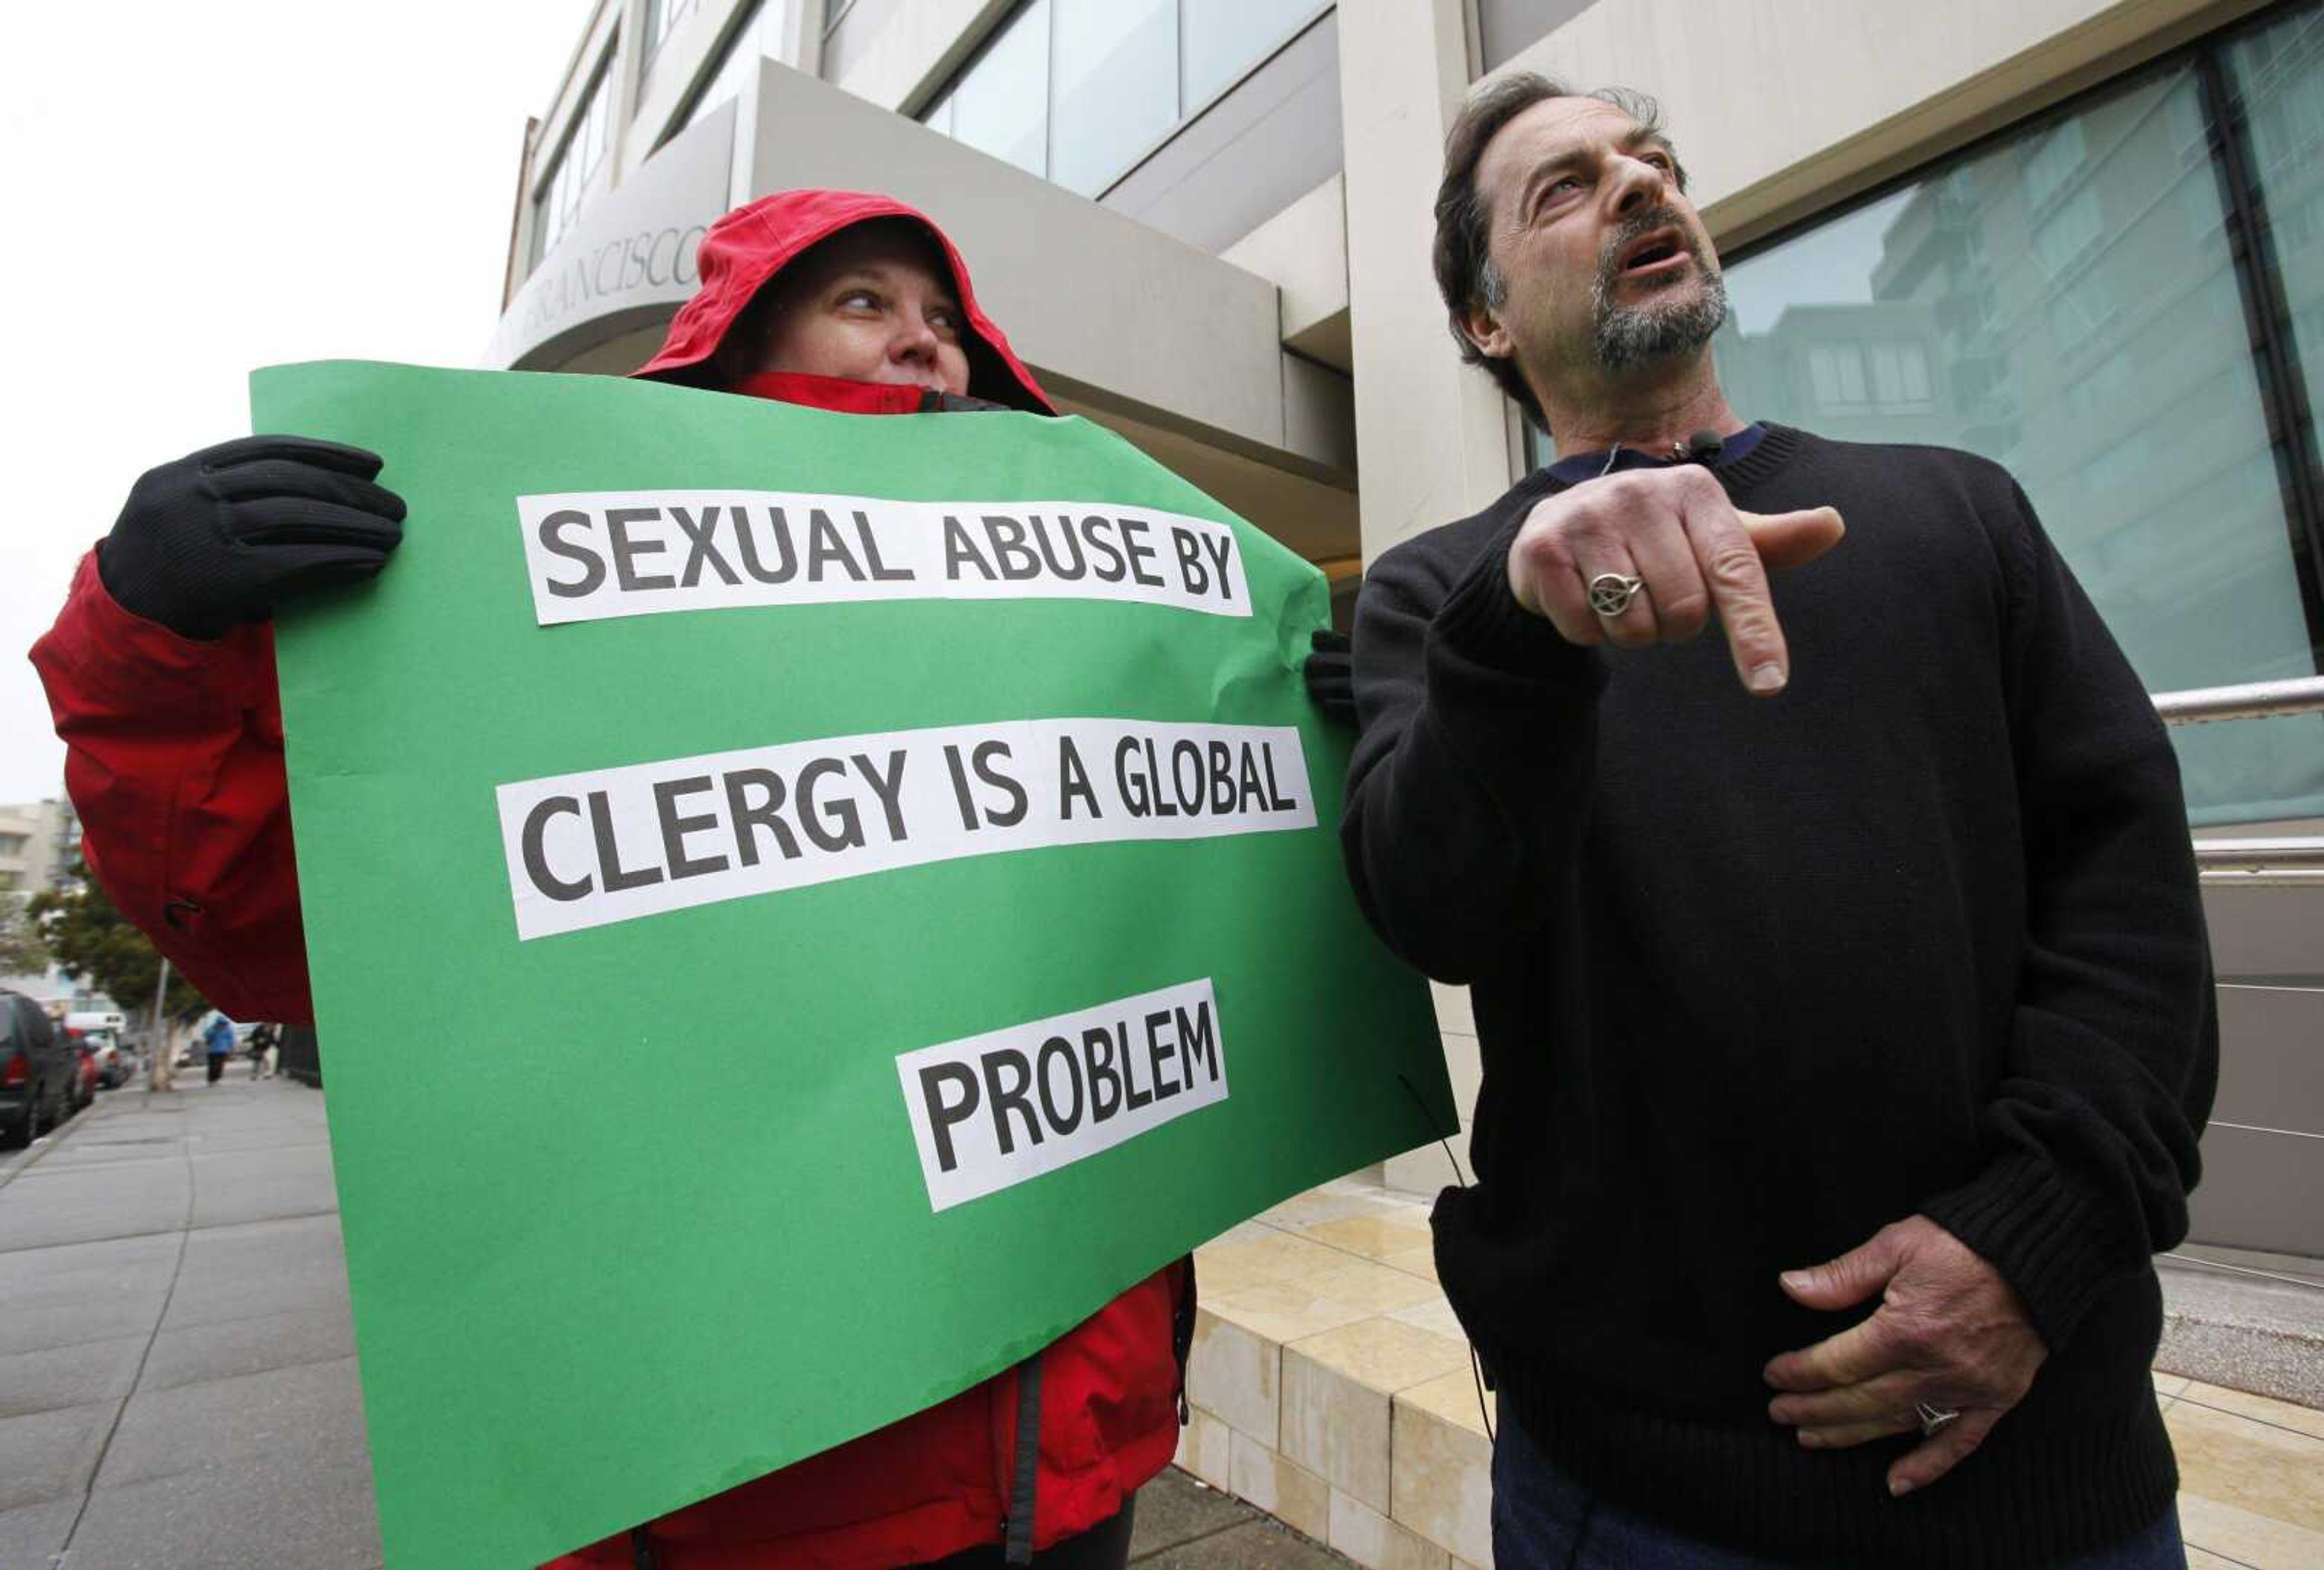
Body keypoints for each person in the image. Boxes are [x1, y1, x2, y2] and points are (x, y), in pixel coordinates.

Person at [31, 189, 1190, 1570]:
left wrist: (1320, 730)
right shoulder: (542, 625)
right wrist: (149, 637)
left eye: (945, 320)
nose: (921, 345)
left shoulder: (1073, 631)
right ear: (739, 351)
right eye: (867, 302)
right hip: (741, 1491)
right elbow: (280, 938)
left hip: (1071, 1449)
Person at [1330, 74, 2217, 1569]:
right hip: (1633, 1500)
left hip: (2052, 1473)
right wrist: (1525, 629)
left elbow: (2125, 900)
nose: (1634, 187)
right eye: (1561, 188)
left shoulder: (1957, 512)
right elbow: (1436, 905)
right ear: (1484, 321)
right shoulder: (1438, 600)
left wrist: (2035, 1238)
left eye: (1649, 162)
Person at [202, 1014, 236, 1085]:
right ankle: (211, 1080)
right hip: (212, 1051)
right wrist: (214, 1030)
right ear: (218, 1023)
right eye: (221, 1023)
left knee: (220, 1066)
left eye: (223, 1024)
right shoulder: (213, 1028)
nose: (222, 1025)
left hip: (223, 1051)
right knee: (212, 1066)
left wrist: (231, 1049)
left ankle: (216, 1079)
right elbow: (207, 1036)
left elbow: (231, 1040)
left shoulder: (229, 1029)